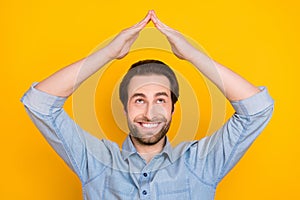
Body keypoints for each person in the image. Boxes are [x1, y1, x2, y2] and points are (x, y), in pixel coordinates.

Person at [21, 10, 274, 200]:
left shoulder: (201, 162)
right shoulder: (95, 161)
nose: (149, 112)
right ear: (125, 108)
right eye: (139, 99)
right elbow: (39, 103)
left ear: (173, 109)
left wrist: (192, 55)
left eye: (160, 100)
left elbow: (257, 108)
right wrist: (109, 52)